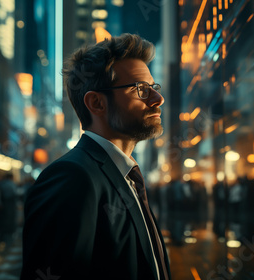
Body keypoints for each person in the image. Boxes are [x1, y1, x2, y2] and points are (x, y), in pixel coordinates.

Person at [21, 34, 171, 280]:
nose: (158, 99)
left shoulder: (123, 174)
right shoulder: (72, 177)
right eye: (141, 89)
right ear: (96, 102)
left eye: (154, 88)